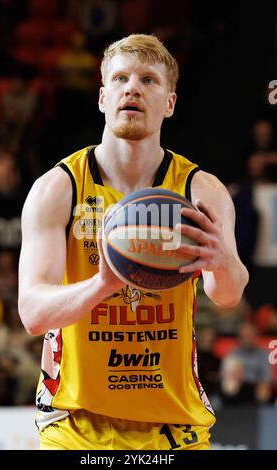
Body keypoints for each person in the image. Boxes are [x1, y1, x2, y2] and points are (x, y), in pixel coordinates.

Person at [18, 34, 249, 450]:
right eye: (121, 79)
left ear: (170, 103)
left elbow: (228, 294)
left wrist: (220, 261)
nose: (133, 88)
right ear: (103, 98)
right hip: (75, 425)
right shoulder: (58, 188)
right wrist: (103, 283)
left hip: (174, 427)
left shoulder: (201, 191)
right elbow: (32, 313)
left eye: (148, 80)